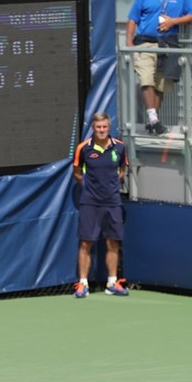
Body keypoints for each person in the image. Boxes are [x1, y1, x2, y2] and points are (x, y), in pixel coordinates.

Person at [125, 0, 192, 136]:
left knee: (160, 85)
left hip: (168, 44)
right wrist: (129, 42)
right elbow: (133, 18)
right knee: (146, 78)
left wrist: (173, 22)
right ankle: (153, 119)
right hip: (145, 42)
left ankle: (152, 122)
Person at [72, 112, 130, 299]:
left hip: (113, 202)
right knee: (86, 242)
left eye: (104, 127)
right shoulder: (84, 148)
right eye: (98, 127)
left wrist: (110, 187)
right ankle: (83, 284)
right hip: (90, 202)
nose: (102, 130)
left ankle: (112, 283)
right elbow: (77, 173)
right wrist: (89, 188)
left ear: (109, 127)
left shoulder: (120, 148)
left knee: (112, 242)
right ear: (93, 128)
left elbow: (122, 171)